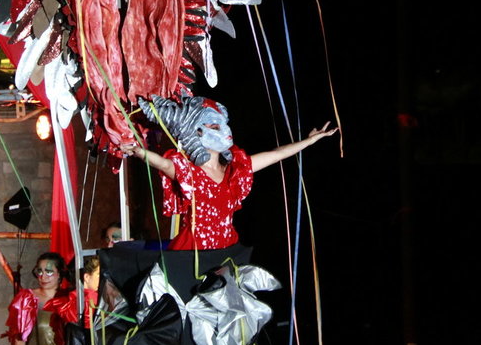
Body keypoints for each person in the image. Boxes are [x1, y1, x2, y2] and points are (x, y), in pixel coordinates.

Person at [121, 95, 336, 250]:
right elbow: (164, 165)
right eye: (215, 127)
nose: (224, 131)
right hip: (194, 250)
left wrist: (310, 141)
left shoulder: (235, 172)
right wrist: (139, 152)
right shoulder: (189, 173)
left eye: (223, 125)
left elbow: (276, 154)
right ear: (197, 132)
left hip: (226, 248)